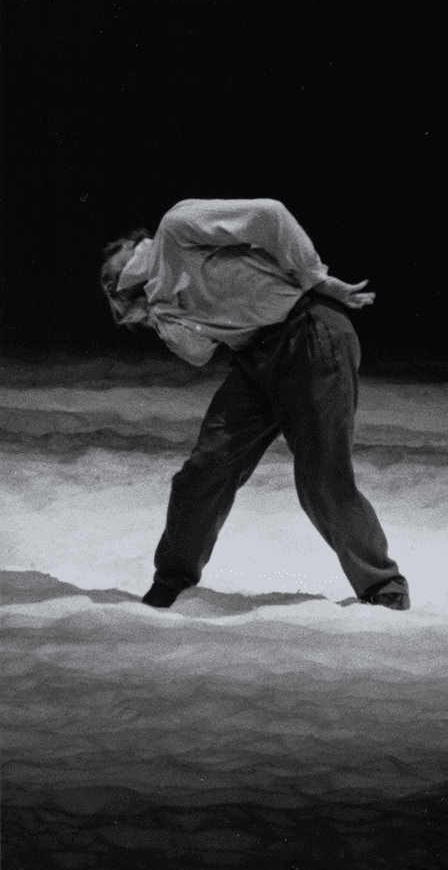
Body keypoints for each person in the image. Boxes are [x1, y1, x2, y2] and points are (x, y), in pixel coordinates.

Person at [99, 198, 410, 610]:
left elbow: (270, 215)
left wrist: (315, 278)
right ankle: (173, 578)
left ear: (137, 247)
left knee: (322, 477)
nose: (112, 281)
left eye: (115, 271)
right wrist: (159, 315)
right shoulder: (162, 297)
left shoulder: (176, 229)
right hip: (253, 358)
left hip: (309, 333)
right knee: (205, 470)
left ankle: (383, 585)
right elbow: (199, 353)